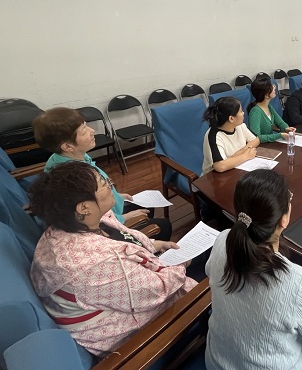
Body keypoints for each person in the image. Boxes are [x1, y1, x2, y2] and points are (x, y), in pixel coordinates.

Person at [28, 161, 197, 357]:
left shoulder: (69, 227)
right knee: (212, 266)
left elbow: (123, 241)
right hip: (143, 336)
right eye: (104, 183)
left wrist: (154, 244)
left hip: (133, 292)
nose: (111, 184)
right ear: (84, 207)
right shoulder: (96, 265)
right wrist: (180, 263)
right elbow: (158, 290)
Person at [205, 169, 302, 370]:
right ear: (284, 220)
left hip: (217, 362)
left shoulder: (223, 240)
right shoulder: (298, 282)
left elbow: (210, 272)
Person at [32, 107, 173, 241]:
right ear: (68, 146)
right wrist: (124, 218)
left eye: (86, 125)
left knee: (147, 208)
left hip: (108, 207)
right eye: (84, 131)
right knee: (163, 225)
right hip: (103, 222)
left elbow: (94, 193)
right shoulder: (71, 178)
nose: (92, 131)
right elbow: (87, 217)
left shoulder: (71, 156)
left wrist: (117, 195)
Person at [202, 96, 260, 175]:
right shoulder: (214, 135)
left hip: (236, 169)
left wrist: (241, 151)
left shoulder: (240, 126)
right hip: (214, 177)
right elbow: (220, 166)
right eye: (241, 111)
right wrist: (245, 156)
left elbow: (256, 140)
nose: (243, 113)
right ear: (231, 118)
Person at [248, 77, 296, 143]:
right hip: (262, 147)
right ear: (266, 95)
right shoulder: (255, 112)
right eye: (271, 86)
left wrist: (286, 129)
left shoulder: (268, 107)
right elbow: (256, 137)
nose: (274, 87)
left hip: (269, 144)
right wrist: (279, 135)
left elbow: (281, 123)